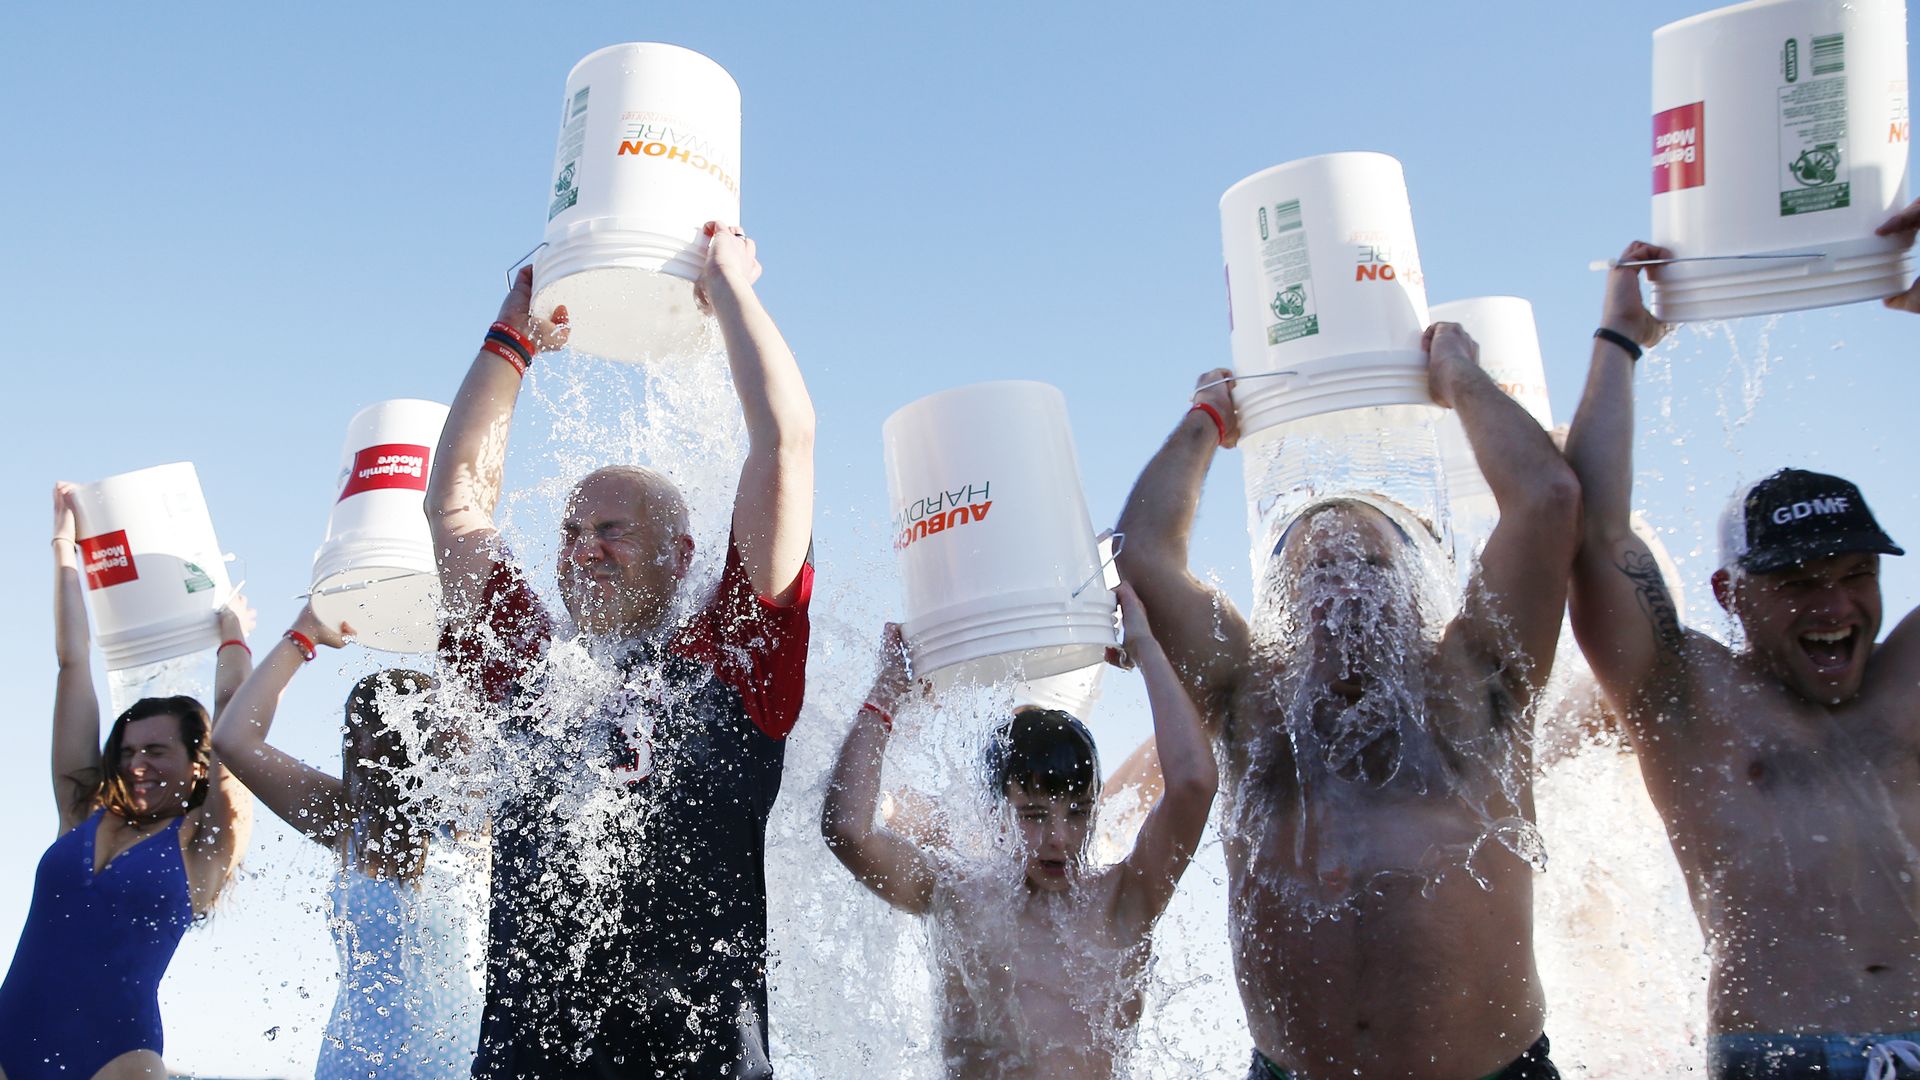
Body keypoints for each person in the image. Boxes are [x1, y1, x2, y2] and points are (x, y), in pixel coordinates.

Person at [1114, 324, 1581, 1080]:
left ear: (1418, 589)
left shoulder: (1474, 686)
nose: (1347, 589)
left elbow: (1546, 498)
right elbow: (1140, 554)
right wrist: (1207, 419)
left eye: (1372, 564)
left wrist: (1457, 376)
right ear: (1284, 607)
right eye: (1317, 572)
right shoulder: (1252, 706)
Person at [429, 222, 814, 1078]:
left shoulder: (735, 658)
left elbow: (783, 444)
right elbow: (455, 503)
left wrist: (731, 290)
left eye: (613, 530)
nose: (585, 549)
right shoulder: (527, 664)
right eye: (571, 532)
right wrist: (511, 338)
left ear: (682, 555)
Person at [1564, 228, 1920, 1080]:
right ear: (1729, 594)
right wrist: (1619, 338)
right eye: (1798, 584)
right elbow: (1594, 534)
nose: (1834, 607)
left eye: (1856, 575)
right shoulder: (1689, 695)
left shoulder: (1909, 680)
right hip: (1780, 1055)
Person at [820, 582, 1216, 1078]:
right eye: (1033, 815)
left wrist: (1146, 648)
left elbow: (1195, 782)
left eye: (1077, 813)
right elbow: (847, 830)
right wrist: (888, 692)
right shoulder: (959, 898)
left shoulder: (1123, 902)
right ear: (995, 815)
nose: (1059, 838)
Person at [0, 483, 254, 1080]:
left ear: (197, 763)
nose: (137, 764)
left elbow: (236, 718)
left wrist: (234, 637)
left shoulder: (205, 841)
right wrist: (63, 548)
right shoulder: (82, 810)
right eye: (128, 751)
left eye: (157, 752)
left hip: (116, 1054)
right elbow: (72, 663)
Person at [211, 602, 483, 1079]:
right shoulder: (347, 821)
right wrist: (303, 635)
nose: (358, 743)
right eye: (353, 728)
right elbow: (233, 739)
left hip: (459, 1063)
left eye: (378, 727)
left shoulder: (473, 820)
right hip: (352, 1064)